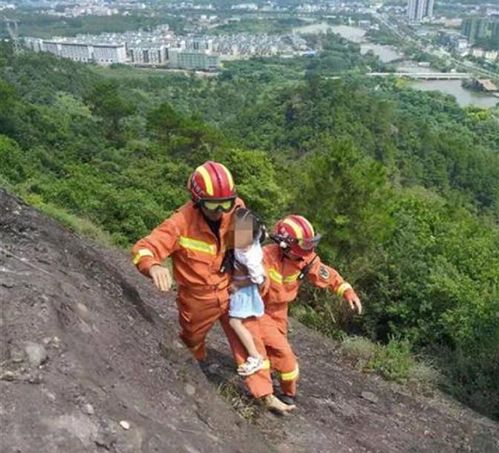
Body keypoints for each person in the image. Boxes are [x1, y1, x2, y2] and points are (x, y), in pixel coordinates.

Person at [131, 161, 293, 414]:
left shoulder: (236, 210)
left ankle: (265, 394)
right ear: (197, 201)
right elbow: (144, 247)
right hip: (198, 298)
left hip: (230, 289)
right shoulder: (180, 223)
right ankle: (196, 367)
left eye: (226, 203)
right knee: (192, 338)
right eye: (212, 205)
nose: (220, 211)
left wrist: (255, 276)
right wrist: (153, 266)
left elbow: (247, 250)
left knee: (250, 336)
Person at [260, 214, 362, 406]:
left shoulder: (305, 260)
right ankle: (275, 392)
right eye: (303, 245)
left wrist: (347, 290)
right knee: (283, 353)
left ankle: (280, 389)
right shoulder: (265, 257)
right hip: (259, 310)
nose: (307, 251)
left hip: (279, 311)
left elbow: (326, 274)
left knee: (274, 351)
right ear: (285, 245)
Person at [228, 208, 266, 377]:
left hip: (244, 291)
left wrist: (238, 284)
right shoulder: (250, 241)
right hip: (242, 286)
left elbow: (259, 279)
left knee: (235, 322)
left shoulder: (249, 256)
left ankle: (255, 356)